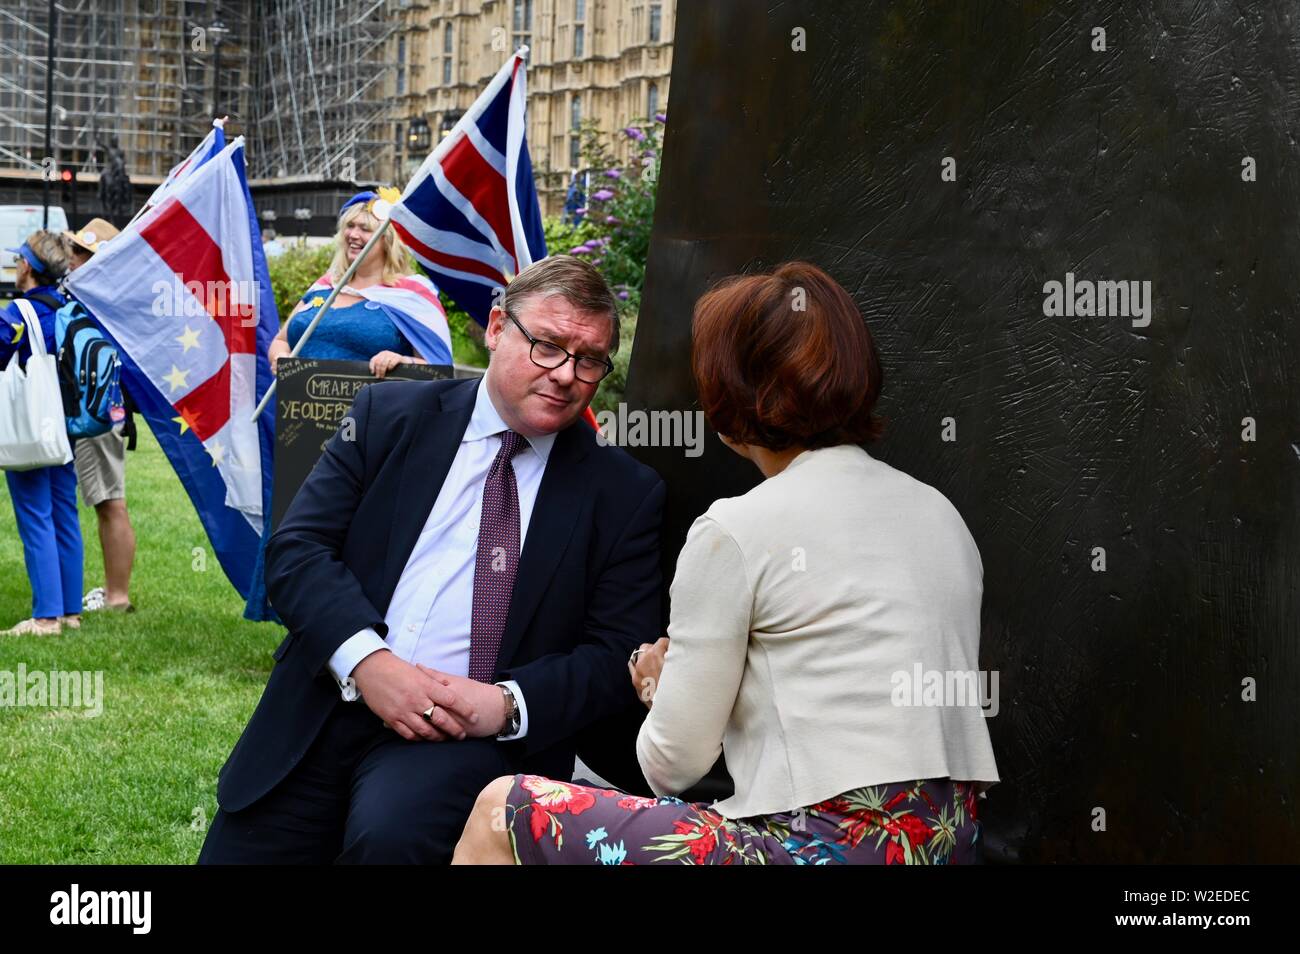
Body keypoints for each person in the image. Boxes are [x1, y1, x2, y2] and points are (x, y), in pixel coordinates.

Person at [454, 261, 1001, 866]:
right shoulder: (939, 514)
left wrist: (653, 680)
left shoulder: (735, 530)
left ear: (729, 394)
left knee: (504, 808)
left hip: (817, 848)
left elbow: (670, 767)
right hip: (951, 844)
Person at [198, 255, 665, 864]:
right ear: (498, 328)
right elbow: (297, 549)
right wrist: (369, 663)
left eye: (589, 360)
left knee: (391, 838)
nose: (565, 375)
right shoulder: (387, 418)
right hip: (328, 702)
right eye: (547, 346)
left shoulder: (622, 493)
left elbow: (616, 656)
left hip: (467, 738)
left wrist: (502, 705)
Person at [267, 190, 451, 378]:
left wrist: (403, 362)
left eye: (365, 229)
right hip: (302, 405)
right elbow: (281, 340)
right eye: (350, 226)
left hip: (375, 406)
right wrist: (280, 357)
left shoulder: (412, 295)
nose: (353, 234)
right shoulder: (325, 286)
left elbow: (438, 369)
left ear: (387, 240)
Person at [0, 230, 82, 636]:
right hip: (67, 426)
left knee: (34, 514)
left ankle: (46, 617)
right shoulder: (68, 307)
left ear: (28, 267)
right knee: (65, 514)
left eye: (17, 261)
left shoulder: (17, 314)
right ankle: (70, 610)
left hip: (31, 428)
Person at [62, 218, 137, 615]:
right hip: (100, 413)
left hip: (95, 416)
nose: (71, 259)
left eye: (80, 253)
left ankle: (117, 596)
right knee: (107, 500)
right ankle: (113, 592)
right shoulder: (102, 298)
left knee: (110, 501)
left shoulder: (97, 300)